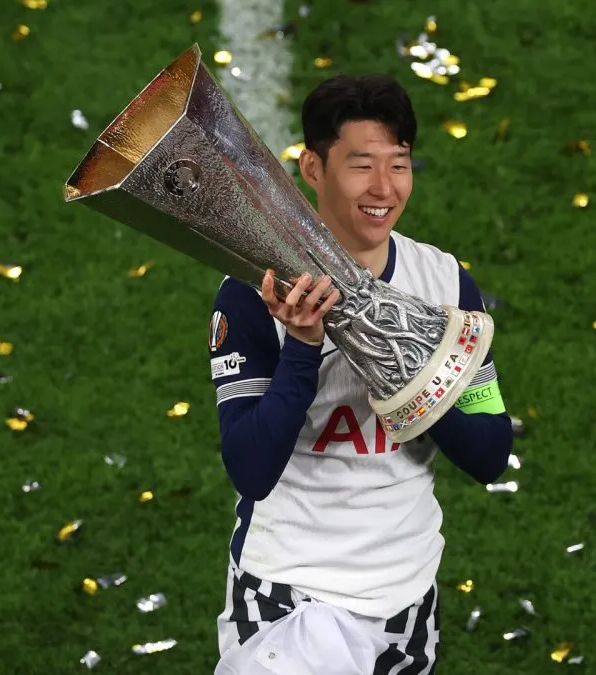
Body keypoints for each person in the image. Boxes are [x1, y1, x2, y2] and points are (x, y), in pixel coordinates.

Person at [208, 73, 514, 675]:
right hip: (290, 595)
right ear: (313, 169)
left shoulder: (445, 284)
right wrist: (301, 346)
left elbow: (491, 452)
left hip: (408, 597)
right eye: (361, 165)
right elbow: (250, 468)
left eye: (398, 165)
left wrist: (407, 372)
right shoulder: (252, 295)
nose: (384, 189)